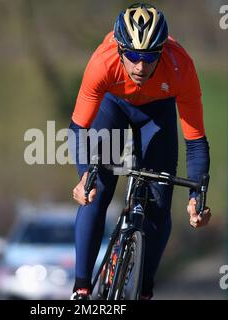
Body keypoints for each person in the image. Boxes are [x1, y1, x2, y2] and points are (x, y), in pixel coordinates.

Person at [68, 3, 212, 300]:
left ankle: (144, 289)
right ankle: (81, 289)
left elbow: (195, 141)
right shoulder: (102, 63)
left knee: (158, 205)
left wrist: (197, 198)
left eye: (149, 58)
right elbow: (78, 128)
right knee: (97, 190)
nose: (140, 67)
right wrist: (84, 175)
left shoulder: (180, 66)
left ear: (162, 52)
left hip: (157, 114)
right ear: (120, 50)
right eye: (133, 56)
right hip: (114, 105)